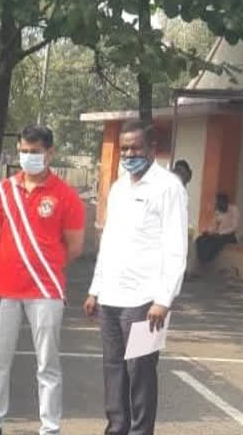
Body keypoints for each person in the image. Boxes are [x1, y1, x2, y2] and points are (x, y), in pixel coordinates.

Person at [83, 120, 188, 435]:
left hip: (146, 301)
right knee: (113, 369)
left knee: (140, 371)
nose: (129, 154)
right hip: (111, 298)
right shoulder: (118, 187)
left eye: (135, 148)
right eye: (125, 148)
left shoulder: (169, 187)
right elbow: (109, 243)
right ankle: (116, 429)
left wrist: (163, 299)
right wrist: (95, 290)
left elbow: (176, 248)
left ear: (152, 149)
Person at [0, 125, 85, 435]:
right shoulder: (2, 191)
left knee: (47, 365)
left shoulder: (65, 195)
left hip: (45, 291)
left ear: (49, 152)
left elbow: (75, 246)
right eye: (23, 152)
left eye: (35, 152)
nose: (28, 157)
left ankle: (50, 428)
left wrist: (43, 269)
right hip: (3, 288)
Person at [195, 193, 239, 265]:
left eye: (217, 202)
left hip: (230, 235)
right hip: (217, 234)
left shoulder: (234, 209)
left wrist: (220, 233)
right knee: (200, 239)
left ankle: (206, 260)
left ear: (223, 202)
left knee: (215, 242)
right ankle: (202, 260)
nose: (215, 203)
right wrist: (208, 231)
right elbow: (213, 225)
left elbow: (234, 227)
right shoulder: (218, 210)